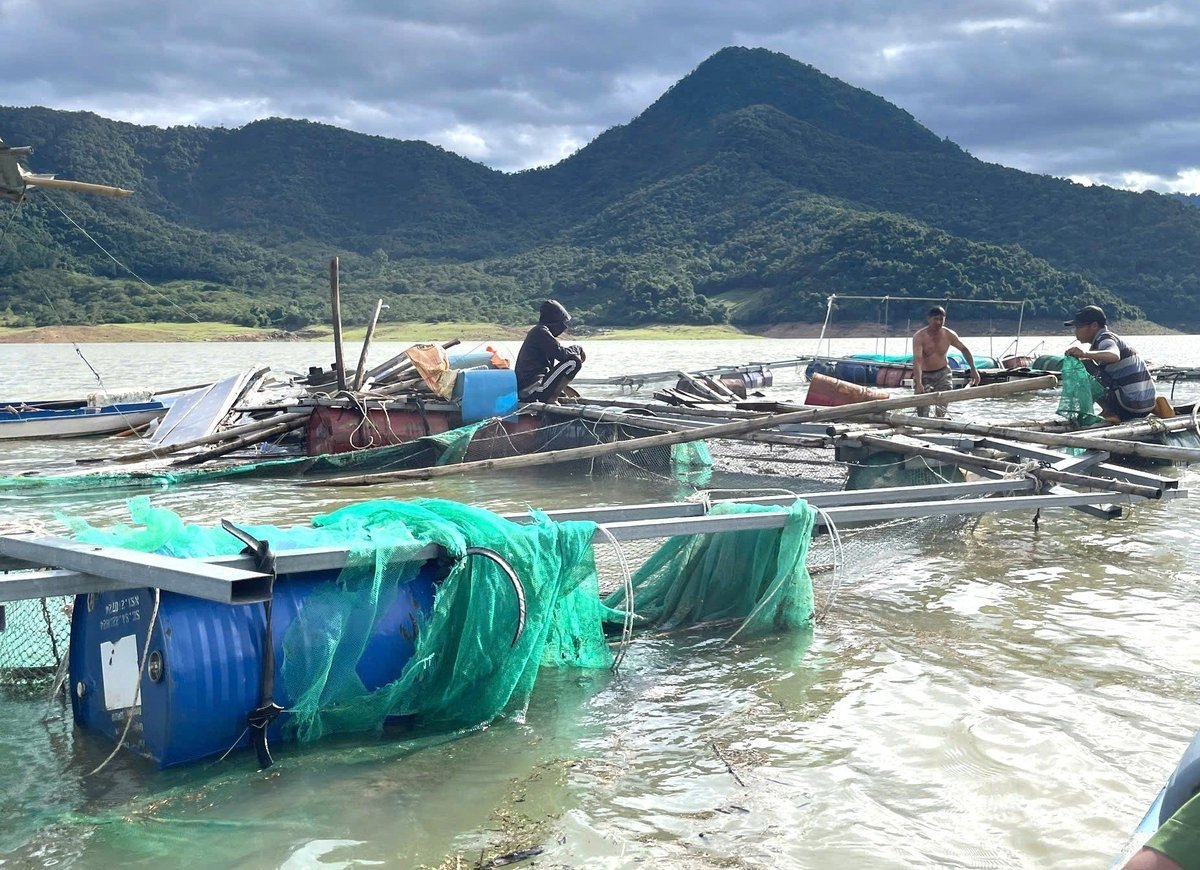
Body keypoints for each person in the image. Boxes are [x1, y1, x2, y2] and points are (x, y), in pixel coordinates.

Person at [1063, 305, 1155, 421]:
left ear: (1094, 325)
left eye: (1078, 327)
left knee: (1084, 365)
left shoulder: (1105, 338)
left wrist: (1085, 354)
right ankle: (1156, 406)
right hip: (1146, 406)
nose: (1076, 332)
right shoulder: (1106, 339)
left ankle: (1110, 412)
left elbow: (1114, 355)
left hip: (1130, 406)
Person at [912, 306, 980, 418]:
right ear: (929, 319)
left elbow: (964, 349)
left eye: (941, 319)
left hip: (943, 373)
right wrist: (918, 383)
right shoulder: (919, 337)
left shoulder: (949, 334)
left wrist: (973, 369)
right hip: (924, 374)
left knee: (942, 404)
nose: (938, 322)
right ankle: (923, 424)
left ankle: (939, 423)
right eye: (936, 319)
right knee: (922, 408)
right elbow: (917, 361)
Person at [514, 299, 586, 403]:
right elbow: (562, 355)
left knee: (571, 359)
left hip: (535, 386)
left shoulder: (540, 332)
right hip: (530, 390)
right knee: (574, 361)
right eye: (562, 323)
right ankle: (551, 398)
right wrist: (577, 348)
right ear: (554, 321)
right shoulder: (540, 332)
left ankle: (554, 395)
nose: (564, 327)